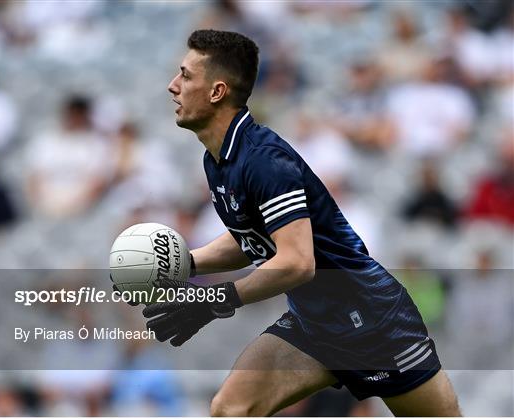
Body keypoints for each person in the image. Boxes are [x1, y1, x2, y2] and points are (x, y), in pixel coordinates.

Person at [143, 29, 461, 416]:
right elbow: (250, 240)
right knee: (230, 409)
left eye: (186, 75)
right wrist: (183, 263)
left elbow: (296, 262)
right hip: (314, 326)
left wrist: (216, 300)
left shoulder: (265, 161)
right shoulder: (218, 159)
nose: (173, 86)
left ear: (217, 92)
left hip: (375, 325)